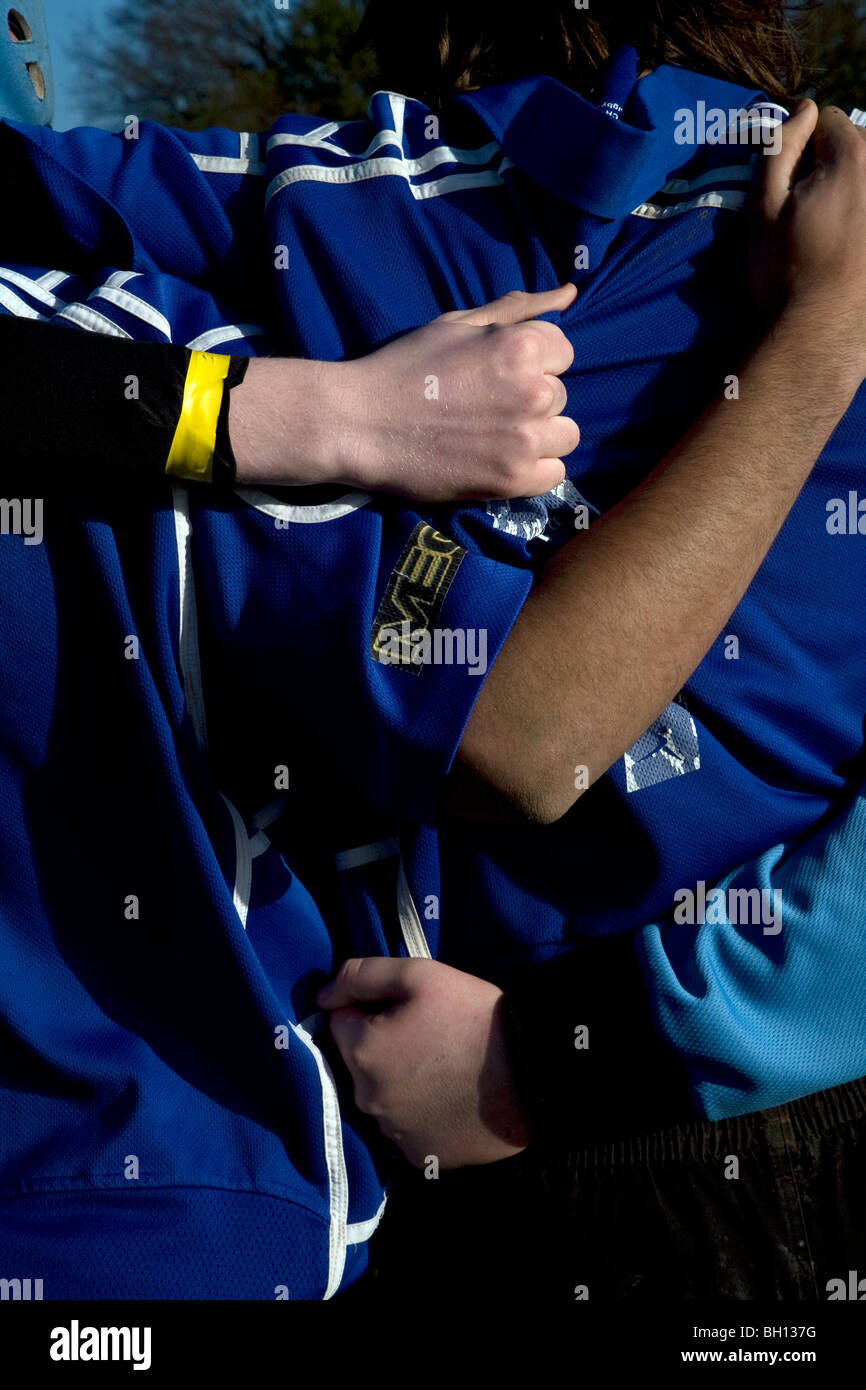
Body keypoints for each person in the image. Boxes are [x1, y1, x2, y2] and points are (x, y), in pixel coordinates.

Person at [0, 0, 864, 1299]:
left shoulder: (317, 203)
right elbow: (520, 723)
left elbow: (523, 727)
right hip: (661, 1116)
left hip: (405, 1101)